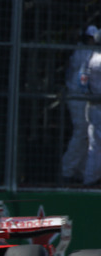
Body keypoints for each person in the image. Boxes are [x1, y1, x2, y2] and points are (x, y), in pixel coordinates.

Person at [62, 25, 98, 183]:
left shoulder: (87, 51)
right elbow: (84, 77)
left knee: (88, 134)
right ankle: (67, 170)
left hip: (84, 98)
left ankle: (80, 171)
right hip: (78, 97)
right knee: (81, 132)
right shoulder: (82, 52)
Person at [83, 29, 101, 186]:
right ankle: (91, 178)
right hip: (98, 106)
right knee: (95, 145)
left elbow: (81, 82)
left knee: (94, 145)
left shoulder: (90, 56)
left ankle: (91, 178)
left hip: (93, 105)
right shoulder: (98, 59)